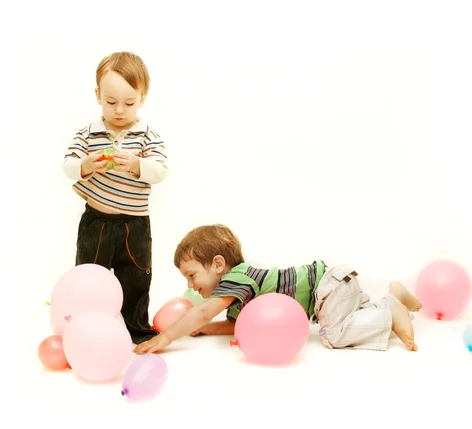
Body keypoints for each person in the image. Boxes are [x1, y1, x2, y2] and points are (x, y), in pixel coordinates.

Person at [134, 224, 422, 354]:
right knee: (350, 319)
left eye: (192, 275)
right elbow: (236, 326)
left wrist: (169, 337)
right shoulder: (237, 298)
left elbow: (204, 311)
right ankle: (391, 297)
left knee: (334, 335)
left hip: (327, 289)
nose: (190, 285)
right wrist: (206, 330)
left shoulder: (236, 279)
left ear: (218, 265)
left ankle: (391, 314)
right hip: (334, 286)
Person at [63, 52, 168, 344]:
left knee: (136, 277)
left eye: (129, 103)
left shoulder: (148, 137)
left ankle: (137, 329)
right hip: (95, 221)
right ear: (98, 95)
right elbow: (68, 165)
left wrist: (136, 165)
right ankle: (85, 327)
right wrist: (86, 164)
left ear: (142, 98)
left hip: (134, 225)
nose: (119, 110)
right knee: (89, 276)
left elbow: (160, 171)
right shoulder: (88, 134)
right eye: (111, 102)